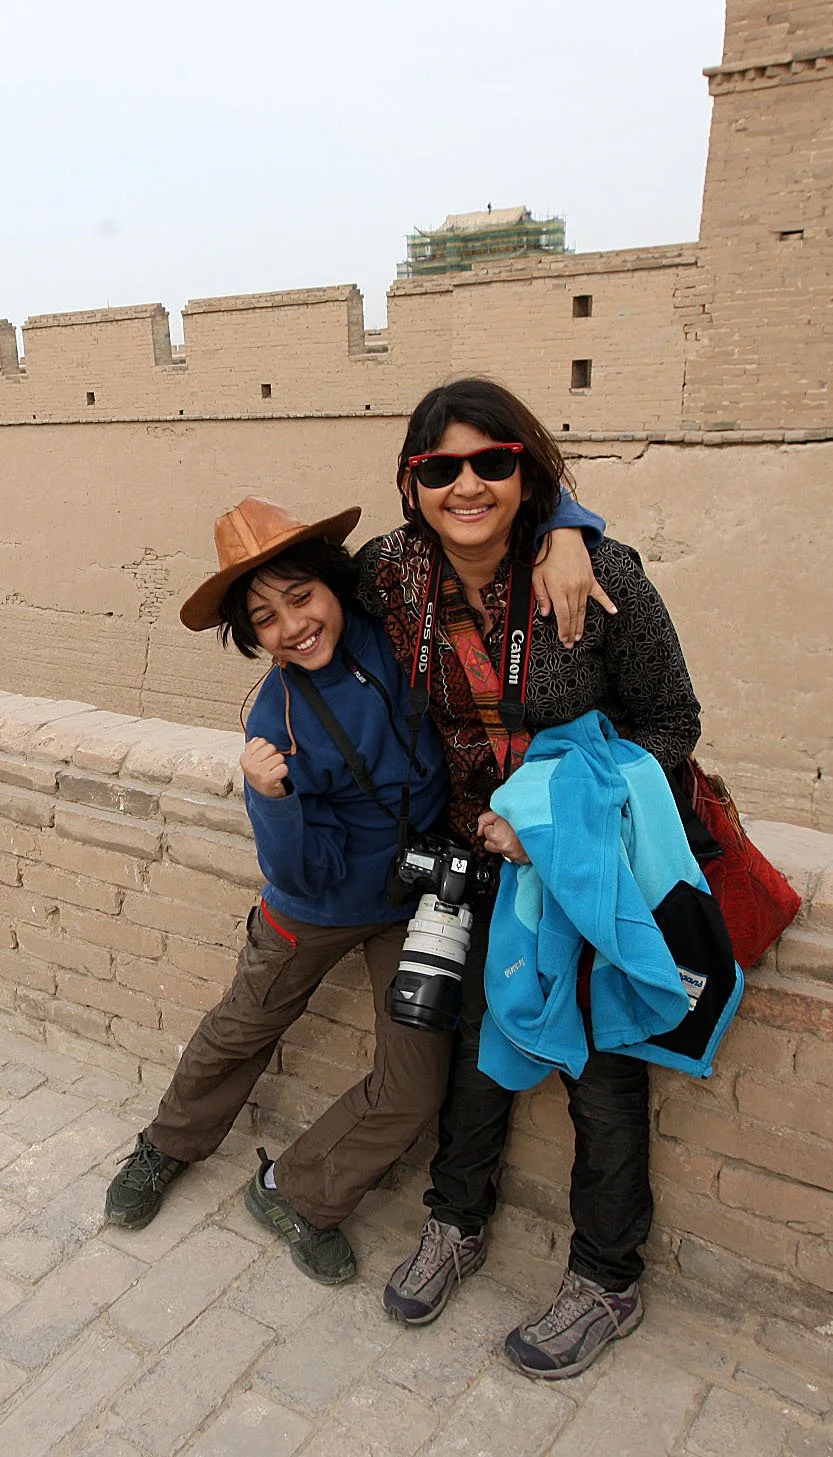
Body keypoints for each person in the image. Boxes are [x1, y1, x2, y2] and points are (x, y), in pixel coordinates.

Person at [103, 492, 601, 1285]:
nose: (293, 624)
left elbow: (472, 513)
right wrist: (271, 800)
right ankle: (165, 1146)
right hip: (315, 905)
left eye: (300, 596)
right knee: (240, 1030)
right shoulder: (275, 719)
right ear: (251, 637)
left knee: (413, 1087)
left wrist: (569, 528)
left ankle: (295, 1191)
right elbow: (301, 872)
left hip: (413, 904)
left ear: (335, 585)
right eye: (265, 617)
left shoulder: (392, 626)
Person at [360, 377, 701, 1379]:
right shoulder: (395, 573)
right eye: (440, 468)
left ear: (526, 467)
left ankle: (605, 1277)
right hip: (468, 857)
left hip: (580, 866)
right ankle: (456, 1220)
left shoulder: (598, 578)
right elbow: (295, 613)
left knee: (599, 1072)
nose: (468, 484)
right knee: (475, 1046)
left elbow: (671, 723)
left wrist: (553, 826)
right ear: (411, 484)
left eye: (494, 463)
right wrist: (261, 737)